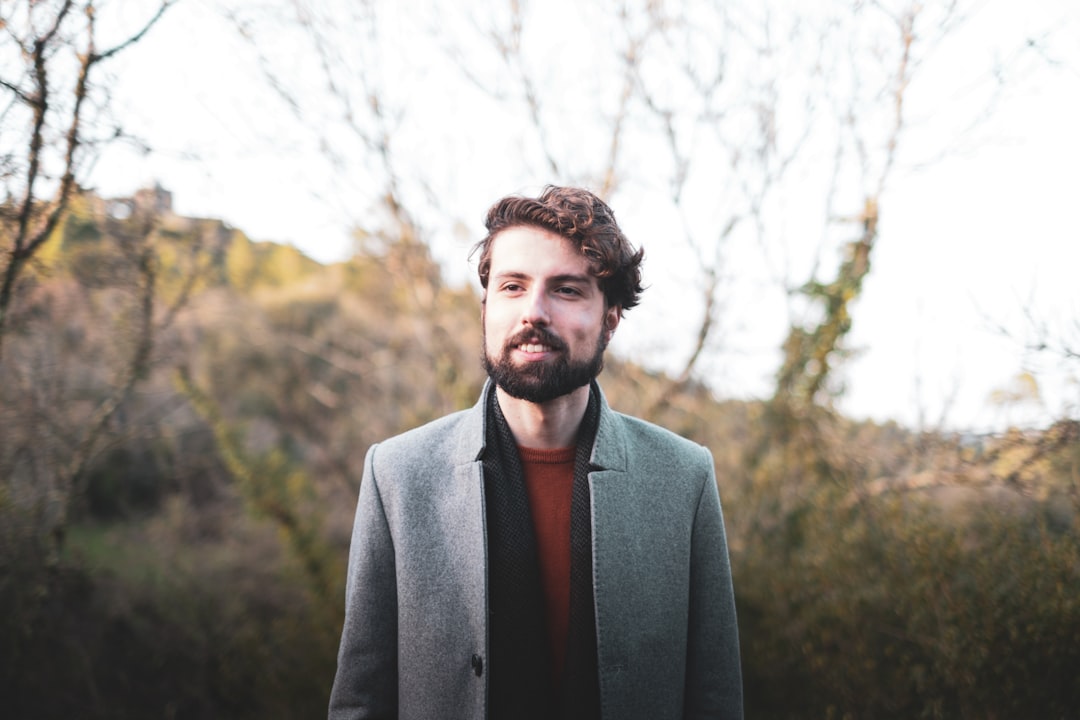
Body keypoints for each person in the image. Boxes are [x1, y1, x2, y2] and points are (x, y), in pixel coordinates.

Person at [328, 186, 742, 720]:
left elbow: (716, 700)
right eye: (512, 287)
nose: (533, 311)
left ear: (610, 318)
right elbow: (360, 702)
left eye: (566, 290)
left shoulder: (684, 478)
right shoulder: (397, 474)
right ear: (486, 306)